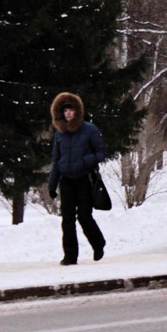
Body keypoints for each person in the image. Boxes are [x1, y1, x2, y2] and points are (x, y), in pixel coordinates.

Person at [46, 92, 106, 266]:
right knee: (67, 219)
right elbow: (56, 161)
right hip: (66, 180)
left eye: (71, 110)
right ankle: (70, 256)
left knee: (84, 216)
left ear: (77, 111)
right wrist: (52, 184)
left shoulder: (89, 129)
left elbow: (101, 152)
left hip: (84, 178)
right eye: (65, 110)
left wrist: (86, 161)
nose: (68, 113)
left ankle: (98, 243)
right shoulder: (59, 134)